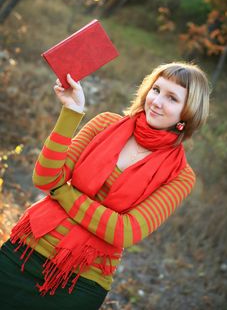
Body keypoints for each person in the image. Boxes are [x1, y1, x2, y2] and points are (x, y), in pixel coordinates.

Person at [0, 62, 210, 309]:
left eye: (172, 98)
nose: (156, 101)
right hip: (23, 254)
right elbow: (46, 178)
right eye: (156, 90)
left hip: (77, 284)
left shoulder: (181, 176)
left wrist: (63, 192)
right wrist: (71, 112)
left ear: (188, 113)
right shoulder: (104, 124)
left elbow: (124, 232)